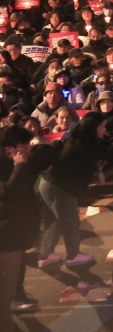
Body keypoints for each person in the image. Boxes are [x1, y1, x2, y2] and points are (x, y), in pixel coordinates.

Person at [37, 112, 110, 268]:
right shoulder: (82, 145)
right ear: (93, 128)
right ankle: (73, 255)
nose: (105, 129)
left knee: (54, 221)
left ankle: (46, 254)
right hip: (58, 187)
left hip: (49, 184)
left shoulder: (79, 140)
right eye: (102, 126)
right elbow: (106, 150)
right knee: (70, 221)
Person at [0, 125, 52, 328]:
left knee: (9, 289)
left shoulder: (17, 164)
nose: (28, 150)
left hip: (15, 236)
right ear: (10, 149)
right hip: (7, 239)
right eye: (25, 146)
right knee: (5, 293)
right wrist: (19, 166)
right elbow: (9, 194)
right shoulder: (11, 167)